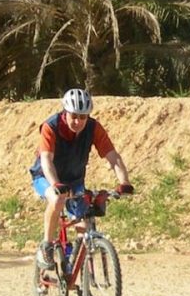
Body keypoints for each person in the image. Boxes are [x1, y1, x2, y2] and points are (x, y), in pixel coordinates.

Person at [29, 88, 132, 268]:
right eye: (73, 116)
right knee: (56, 199)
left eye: (83, 117)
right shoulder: (51, 127)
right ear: (65, 112)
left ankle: (78, 275)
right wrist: (55, 184)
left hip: (74, 180)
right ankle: (46, 246)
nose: (78, 121)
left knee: (84, 226)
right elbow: (46, 159)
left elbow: (113, 156)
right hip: (45, 176)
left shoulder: (94, 128)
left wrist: (124, 182)